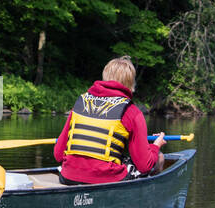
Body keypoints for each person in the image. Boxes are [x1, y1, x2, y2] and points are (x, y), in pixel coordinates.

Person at [53, 56, 167, 185]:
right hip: (106, 178)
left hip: (68, 176)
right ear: (131, 83)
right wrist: (156, 146)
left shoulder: (80, 103)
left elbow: (58, 154)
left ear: (105, 77)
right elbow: (144, 165)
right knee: (159, 158)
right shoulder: (131, 111)